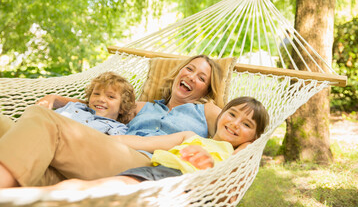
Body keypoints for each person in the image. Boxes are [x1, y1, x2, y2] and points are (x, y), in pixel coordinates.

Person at [0, 55, 224, 188]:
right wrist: (55, 99)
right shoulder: (143, 106)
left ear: (207, 88)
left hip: (145, 166)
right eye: (189, 69)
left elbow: (238, 129)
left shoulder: (208, 111)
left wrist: (239, 162)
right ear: (178, 73)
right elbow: (99, 104)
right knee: (4, 125)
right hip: (107, 153)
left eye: (201, 78)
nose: (192, 77)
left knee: (44, 122)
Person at [42, 96, 270, 190]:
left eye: (247, 124)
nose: (236, 124)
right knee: (96, 187)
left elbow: (242, 158)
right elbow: (149, 141)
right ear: (223, 115)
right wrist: (101, 138)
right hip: (155, 170)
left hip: (182, 183)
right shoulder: (191, 136)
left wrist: (212, 161)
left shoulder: (239, 151)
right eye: (233, 115)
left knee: (106, 189)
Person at [54, 71, 136, 135]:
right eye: (96, 94)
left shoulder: (118, 128)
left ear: (122, 108)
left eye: (110, 97)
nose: (101, 99)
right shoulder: (75, 107)